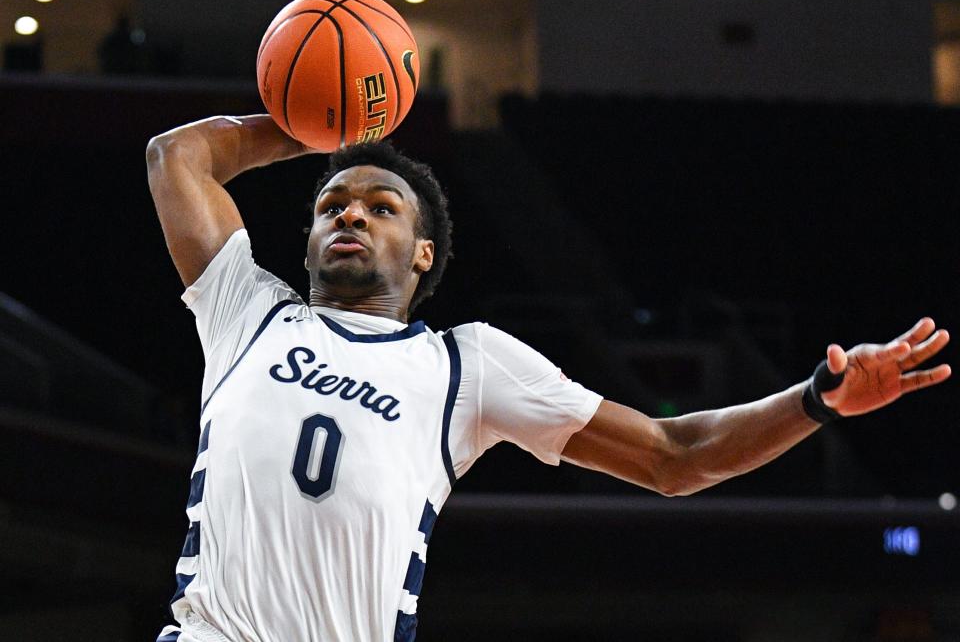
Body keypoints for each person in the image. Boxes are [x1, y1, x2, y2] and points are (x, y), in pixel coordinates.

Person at [146, 114, 951, 642]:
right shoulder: (245, 311)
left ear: (424, 253)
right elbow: (175, 157)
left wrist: (816, 397)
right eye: (331, 204)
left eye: (380, 206)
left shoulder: (467, 362)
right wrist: (309, 122)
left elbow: (675, 453)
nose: (350, 213)